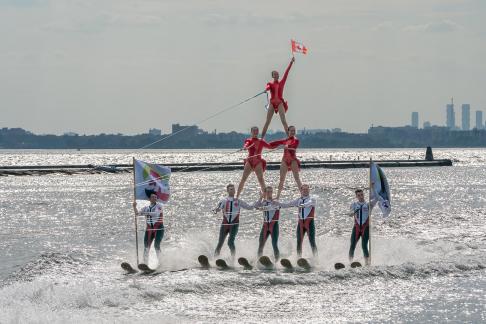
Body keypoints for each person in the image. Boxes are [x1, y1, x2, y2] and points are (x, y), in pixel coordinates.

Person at [213, 184, 256, 257]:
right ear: (227, 190)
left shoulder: (238, 201)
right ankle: (215, 259)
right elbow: (218, 207)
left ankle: (233, 259)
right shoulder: (223, 200)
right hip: (225, 224)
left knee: (230, 242)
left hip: (234, 225)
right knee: (220, 243)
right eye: (231, 189)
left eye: (233, 189)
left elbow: (249, 207)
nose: (232, 191)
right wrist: (216, 210)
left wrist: (258, 202)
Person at [279, 184, 318, 258]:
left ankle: (316, 259)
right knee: (299, 242)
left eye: (307, 189)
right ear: (301, 191)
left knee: (312, 242)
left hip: (309, 224)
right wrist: (277, 204)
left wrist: (303, 205)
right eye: (304, 190)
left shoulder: (312, 199)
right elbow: (287, 204)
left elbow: (309, 203)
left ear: (309, 190)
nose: (305, 191)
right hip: (300, 224)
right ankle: (299, 258)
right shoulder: (298, 200)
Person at [261, 57, 295, 138]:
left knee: (283, 121)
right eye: (275, 74)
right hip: (272, 103)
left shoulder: (282, 82)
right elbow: (268, 87)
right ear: (272, 76)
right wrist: (266, 89)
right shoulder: (270, 83)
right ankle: (261, 138)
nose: (276, 75)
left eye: (277, 74)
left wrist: (291, 62)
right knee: (267, 121)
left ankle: (289, 138)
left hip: (279, 102)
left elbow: (287, 72)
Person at [236, 126, 274, 198]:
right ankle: (236, 197)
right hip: (249, 161)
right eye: (254, 131)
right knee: (243, 179)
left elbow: (269, 146)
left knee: (261, 180)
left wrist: (280, 144)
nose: (255, 132)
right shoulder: (249, 140)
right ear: (251, 132)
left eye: (257, 131)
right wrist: (244, 147)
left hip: (258, 162)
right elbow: (246, 144)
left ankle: (266, 198)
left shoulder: (261, 141)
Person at [348, 187, 380, 266]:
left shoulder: (369, 204)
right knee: (352, 245)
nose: (361, 196)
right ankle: (350, 263)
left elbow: (377, 197)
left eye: (362, 195)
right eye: (359, 195)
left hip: (365, 228)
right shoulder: (354, 204)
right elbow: (351, 211)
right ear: (356, 196)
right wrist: (351, 213)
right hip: (356, 227)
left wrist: (373, 188)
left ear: (363, 195)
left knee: (364, 245)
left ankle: (367, 263)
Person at [269, 125, 302, 199]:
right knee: (281, 179)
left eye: (294, 131)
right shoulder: (284, 140)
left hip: (293, 160)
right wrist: (268, 144)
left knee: (297, 178)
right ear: (288, 132)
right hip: (284, 160)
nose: (293, 132)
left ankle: (302, 195)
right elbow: (274, 142)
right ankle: (277, 196)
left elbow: (294, 145)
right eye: (291, 131)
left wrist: (287, 146)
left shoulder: (296, 140)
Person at [132, 193, 164, 265]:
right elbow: (138, 214)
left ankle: (161, 262)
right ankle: (145, 264)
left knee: (156, 245)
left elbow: (155, 214)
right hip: (149, 230)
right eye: (153, 197)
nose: (154, 198)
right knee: (146, 247)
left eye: (155, 197)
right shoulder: (146, 207)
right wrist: (134, 207)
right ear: (149, 199)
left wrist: (145, 213)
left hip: (159, 229)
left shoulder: (159, 206)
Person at [255, 186, 282, 261]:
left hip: (274, 226)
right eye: (267, 192)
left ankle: (277, 262)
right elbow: (255, 206)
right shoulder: (263, 202)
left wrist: (262, 208)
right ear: (265, 193)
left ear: (272, 192)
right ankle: (259, 261)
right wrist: (260, 197)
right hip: (265, 226)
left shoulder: (276, 202)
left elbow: (270, 207)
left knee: (274, 244)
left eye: (270, 191)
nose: (269, 193)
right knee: (261, 244)